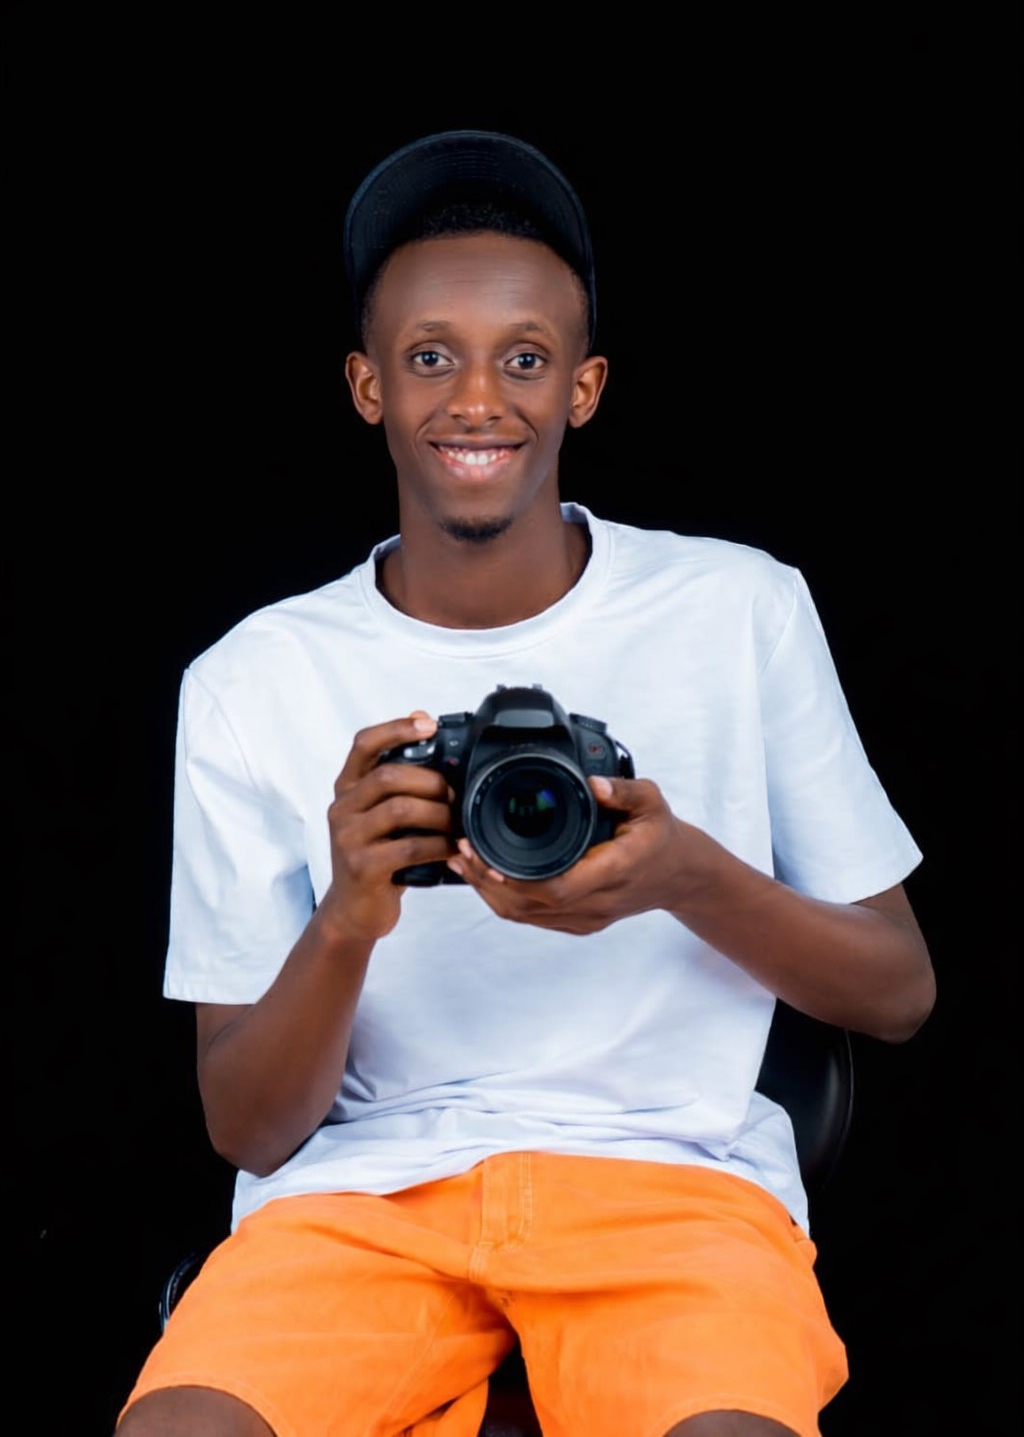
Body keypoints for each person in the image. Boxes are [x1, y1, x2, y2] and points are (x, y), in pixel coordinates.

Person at [116, 129, 936, 1437]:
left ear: (584, 387)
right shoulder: (252, 678)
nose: (477, 399)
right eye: (429, 356)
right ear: (367, 386)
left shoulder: (741, 610)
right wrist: (347, 919)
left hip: (675, 1196)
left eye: (525, 357)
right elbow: (249, 1128)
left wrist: (685, 876)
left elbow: (898, 991)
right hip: (358, 1206)